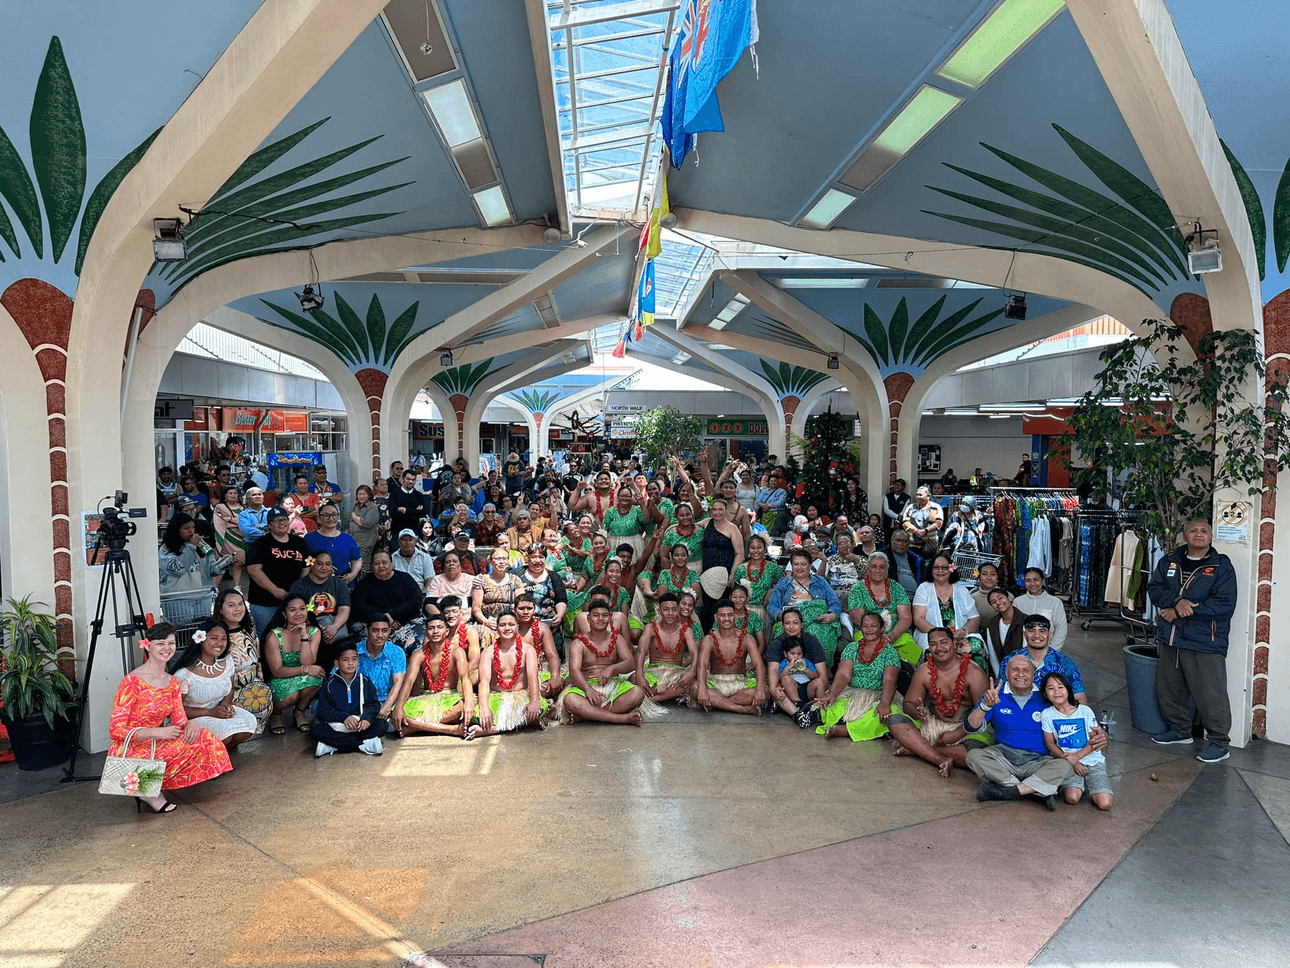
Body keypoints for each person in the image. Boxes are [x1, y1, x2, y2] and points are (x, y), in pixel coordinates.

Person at [106, 622, 233, 813]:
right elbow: (116, 731)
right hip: (132, 746)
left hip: (159, 742)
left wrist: (192, 723)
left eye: (171, 643)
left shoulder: (172, 682)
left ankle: (150, 785)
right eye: (160, 643)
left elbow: (180, 721)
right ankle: (145, 790)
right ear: (147, 645)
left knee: (205, 738)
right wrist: (158, 732)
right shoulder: (132, 681)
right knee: (159, 748)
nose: (166, 648)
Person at [1146, 517, 1238, 762]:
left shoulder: (1221, 567)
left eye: (1204, 531)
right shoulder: (1169, 561)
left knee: (1211, 695)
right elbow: (1155, 588)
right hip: (1171, 638)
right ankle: (1180, 731)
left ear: (1210, 537)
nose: (1199, 534)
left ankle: (1219, 743)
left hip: (1204, 642)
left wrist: (1180, 611)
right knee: (1169, 690)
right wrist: (1176, 602)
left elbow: (1224, 605)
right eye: (1193, 531)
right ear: (1184, 536)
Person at [963, 655, 1074, 809]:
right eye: (1015, 670)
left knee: (1065, 766)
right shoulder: (995, 694)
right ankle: (1035, 790)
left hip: (1038, 760)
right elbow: (970, 727)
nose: (1021, 674)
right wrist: (985, 706)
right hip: (1003, 758)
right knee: (973, 756)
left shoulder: (1046, 696)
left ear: (1033, 675)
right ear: (1007, 674)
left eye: (1026, 670)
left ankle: (1009, 790)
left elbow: (1073, 716)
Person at [888, 627, 989, 777]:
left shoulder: (974, 672)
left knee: (975, 754)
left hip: (966, 727)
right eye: (933, 644)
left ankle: (916, 749)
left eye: (944, 642)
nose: (939, 648)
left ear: (955, 643)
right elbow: (908, 703)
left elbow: (985, 712)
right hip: (933, 723)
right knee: (895, 720)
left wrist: (957, 733)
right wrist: (918, 712)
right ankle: (940, 759)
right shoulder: (923, 671)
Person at [559, 598, 650, 725]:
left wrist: (612, 669)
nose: (600, 619)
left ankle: (588, 715)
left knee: (637, 694)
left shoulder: (617, 638)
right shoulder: (578, 643)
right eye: (596, 616)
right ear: (589, 619)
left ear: (610, 619)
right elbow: (574, 671)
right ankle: (620, 718)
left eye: (604, 615)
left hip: (612, 685)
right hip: (585, 686)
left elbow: (631, 662)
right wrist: (588, 690)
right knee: (570, 700)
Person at [169, 622, 257, 750]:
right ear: (201, 640)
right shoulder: (184, 674)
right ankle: (208, 753)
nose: (219, 643)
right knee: (224, 735)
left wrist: (225, 707)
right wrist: (210, 712)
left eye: (223, 639)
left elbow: (230, 688)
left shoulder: (227, 662)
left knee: (248, 724)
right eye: (214, 638)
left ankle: (220, 753)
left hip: (216, 711)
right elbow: (175, 712)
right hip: (192, 719)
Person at [814, 611, 900, 741]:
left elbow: (889, 680)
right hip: (852, 693)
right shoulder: (852, 648)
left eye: (873, 626)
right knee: (829, 706)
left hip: (877, 695)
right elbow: (843, 674)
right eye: (865, 626)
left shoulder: (890, 652)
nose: (869, 629)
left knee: (887, 713)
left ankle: (844, 730)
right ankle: (859, 727)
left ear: (882, 628)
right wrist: (833, 693)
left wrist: (885, 702)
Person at [1041, 671, 1113, 811]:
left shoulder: (1084, 711)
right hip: (1068, 763)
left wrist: (1077, 758)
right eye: (1051, 688)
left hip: (1092, 761)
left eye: (1060, 687)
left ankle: (1094, 785)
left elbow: (1095, 739)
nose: (1057, 692)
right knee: (1072, 798)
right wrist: (1071, 762)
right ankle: (1078, 786)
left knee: (1105, 804)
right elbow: (1050, 743)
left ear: (1068, 690)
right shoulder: (1047, 714)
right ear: (1045, 694)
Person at [396, 613, 475, 738]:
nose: (435, 631)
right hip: (426, 698)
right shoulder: (418, 655)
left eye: (439, 627)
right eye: (431, 628)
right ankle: (451, 729)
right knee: (398, 714)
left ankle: (416, 728)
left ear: (447, 631)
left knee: (472, 702)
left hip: (450, 698)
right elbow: (408, 682)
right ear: (426, 633)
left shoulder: (456, 651)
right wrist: (399, 707)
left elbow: (465, 678)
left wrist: (469, 702)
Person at [471, 610, 545, 738]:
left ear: (517, 627)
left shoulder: (528, 650)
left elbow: (533, 678)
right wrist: (484, 708)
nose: (507, 628)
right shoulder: (488, 652)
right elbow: (484, 682)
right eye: (502, 625)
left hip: (521, 695)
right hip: (497, 695)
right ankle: (521, 724)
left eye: (511, 624)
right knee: (478, 716)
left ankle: (493, 730)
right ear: (497, 629)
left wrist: (534, 701)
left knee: (536, 710)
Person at [309, 643, 388, 757]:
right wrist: (344, 717)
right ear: (337, 663)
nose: (351, 663)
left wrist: (366, 719)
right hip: (338, 726)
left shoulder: (365, 681)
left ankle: (333, 745)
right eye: (345, 660)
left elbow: (373, 705)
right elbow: (322, 712)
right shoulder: (329, 685)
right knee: (315, 730)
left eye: (354, 659)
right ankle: (363, 745)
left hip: (359, 726)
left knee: (382, 725)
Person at [262, 595, 326, 735]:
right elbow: (277, 671)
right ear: (284, 613)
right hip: (280, 677)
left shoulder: (314, 631)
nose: (298, 613)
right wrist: (306, 669)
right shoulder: (274, 635)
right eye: (292, 610)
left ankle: (299, 712)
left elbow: (308, 662)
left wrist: (304, 635)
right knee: (291, 695)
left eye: (302, 609)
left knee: (316, 679)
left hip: (301, 674)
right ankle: (276, 714)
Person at [693, 599, 769, 716]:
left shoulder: (747, 638)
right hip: (716, 682)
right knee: (696, 689)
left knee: (765, 690)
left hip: (740, 684)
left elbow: (759, 665)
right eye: (722, 615)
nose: (727, 619)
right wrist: (703, 690)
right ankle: (742, 709)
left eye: (730, 615)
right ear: (716, 618)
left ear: (734, 617)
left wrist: (759, 690)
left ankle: (717, 704)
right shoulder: (709, 639)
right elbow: (702, 666)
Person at [767, 549, 842, 666]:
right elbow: (772, 605)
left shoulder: (820, 582)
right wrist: (782, 616)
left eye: (803, 564)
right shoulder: (783, 583)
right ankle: (788, 671)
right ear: (791, 566)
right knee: (784, 634)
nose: (799, 567)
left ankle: (820, 671)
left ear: (809, 566)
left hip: (816, 620)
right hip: (790, 619)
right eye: (796, 564)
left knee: (816, 633)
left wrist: (831, 615)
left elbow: (835, 603)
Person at [214, 588, 273, 736]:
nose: (238, 609)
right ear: (220, 609)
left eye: (240, 604)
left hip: (253, 684)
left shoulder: (249, 629)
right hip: (229, 692)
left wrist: (262, 682)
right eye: (231, 605)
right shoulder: (217, 636)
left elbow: (257, 658)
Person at [245, 508, 311, 637]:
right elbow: (253, 570)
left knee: (292, 639)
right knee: (268, 639)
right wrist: (275, 590)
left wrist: (299, 587)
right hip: (264, 603)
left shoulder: (299, 542)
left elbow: (307, 566)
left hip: (292, 603)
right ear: (269, 525)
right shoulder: (260, 544)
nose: (282, 523)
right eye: (276, 520)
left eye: (284, 519)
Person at [846, 552, 918, 665]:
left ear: (887, 571)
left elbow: (905, 617)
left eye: (882, 567)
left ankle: (905, 678)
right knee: (862, 643)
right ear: (868, 569)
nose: (877, 570)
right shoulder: (857, 589)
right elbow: (856, 616)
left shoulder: (897, 588)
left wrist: (893, 635)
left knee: (909, 644)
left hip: (895, 635)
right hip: (867, 633)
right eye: (874, 567)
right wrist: (876, 634)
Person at [766, 608, 831, 727]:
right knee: (776, 685)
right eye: (787, 623)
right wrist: (774, 689)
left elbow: (821, 675)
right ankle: (798, 714)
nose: (791, 627)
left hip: (808, 688)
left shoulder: (811, 641)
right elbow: (773, 671)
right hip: (789, 688)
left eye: (795, 623)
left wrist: (806, 670)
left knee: (821, 682)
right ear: (782, 625)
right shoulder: (777, 644)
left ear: (802, 624)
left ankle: (816, 709)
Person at [1002, 614, 1087, 704]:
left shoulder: (1064, 663)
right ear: (1024, 634)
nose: (1037, 635)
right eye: (1031, 631)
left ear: (1049, 635)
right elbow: (999, 691)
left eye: (1042, 631)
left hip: (1054, 715)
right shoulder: (1010, 661)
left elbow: (1079, 698)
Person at [289, 550, 352, 669]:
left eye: (328, 564)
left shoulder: (339, 584)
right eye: (319, 563)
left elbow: (344, 609)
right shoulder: (299, 586)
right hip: (310, 630)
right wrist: (320, 632)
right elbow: (296, 614)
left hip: (336, 629)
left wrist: (333, 628)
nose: (324, 567)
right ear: (312, 565)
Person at [634, 593, 698, 705]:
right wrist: (639, 674)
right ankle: (670, 695)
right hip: (654, 671)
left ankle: (651, 700)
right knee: (634, 679)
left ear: (678, 610)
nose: (670, 614)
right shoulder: (650, 628)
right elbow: (641, 652)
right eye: (666, 609)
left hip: (676, 673)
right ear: (659, 611)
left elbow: (695, 653)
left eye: (673, 610)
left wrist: (692, 672)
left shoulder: (686, 630)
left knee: (692, 681)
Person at [912, 553, 981, 653]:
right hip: (932, 636)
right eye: (936, 568)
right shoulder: (923, 589)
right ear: (931, 570)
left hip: (960, 637)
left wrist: (963, 631)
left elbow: (975, 618)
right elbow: (918, 619)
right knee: (934, 652)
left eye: (944, 567)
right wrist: (943, 634)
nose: (940, 571)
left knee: (977, 648)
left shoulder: (962, 590)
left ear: (951, 569)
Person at [158, 512, 230, 594]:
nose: (191, 531)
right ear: (176, 530)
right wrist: (191, 547)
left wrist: (222, 564)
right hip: (177, 597)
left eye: (193, 527)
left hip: (201, 595)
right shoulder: (167, 548)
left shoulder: (200, 544)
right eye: (186, 528)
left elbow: (210, 570)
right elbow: (176, 569)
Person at [354, 616, 407, 726]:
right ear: (366, 631)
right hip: (357, 702)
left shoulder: (396, 652)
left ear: (389, 631)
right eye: (375, 630)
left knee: (398, 721)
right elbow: (336, 678)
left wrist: (387, 706)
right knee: (317, 708)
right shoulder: (354, 651)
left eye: (384, 631)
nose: (380, 635)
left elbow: (398, 682)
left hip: (384, 701)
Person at [515, 594, 564, 702]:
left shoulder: (542, 628)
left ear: (534, 610)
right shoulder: (510, 629)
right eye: (521, 608)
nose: (526, 612)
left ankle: (545, 703)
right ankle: (545, 704)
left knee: (547, 688)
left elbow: (552, 655)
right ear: (514, 610)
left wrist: (555, 676)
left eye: (529, 608)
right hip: (517, 675)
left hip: (540, 672)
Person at [731, 534, 784, 630]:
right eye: (752, 548)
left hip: (763, 611)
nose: (756, 551)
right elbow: (734, 591)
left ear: (765, 549)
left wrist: (771, 590)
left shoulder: (772, 567)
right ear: (748, 550)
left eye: (759, 547)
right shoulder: (741, 569)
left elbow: (784, 585)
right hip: (743, 610)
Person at [306, 504, 362, 584]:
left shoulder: (347, 538)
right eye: (326, 515)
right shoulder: (310, 538)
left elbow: (357, 559)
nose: (331, 518)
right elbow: (304, 563)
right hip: (318, 584)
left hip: (343, 583)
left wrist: (352, 574)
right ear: (319, 518)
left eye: (334, 515)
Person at [1015, 567, 1069, 651]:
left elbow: (1061, 628)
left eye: (1036, 579)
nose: (1032, 584)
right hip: (1024, 651)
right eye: (1028, 580)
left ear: (1042, 580)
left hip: (1048, 650)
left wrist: (1052, 650)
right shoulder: (1018, 602)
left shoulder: (1055, 602)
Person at [473, 547, 524, 632]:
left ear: (508, 561)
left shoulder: (516, 580)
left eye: (504, 558)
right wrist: (486, 622)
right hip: (489, 620)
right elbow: (476, 608)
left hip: (510, 620)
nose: (501, 561)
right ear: (491, 561)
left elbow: (521, 604)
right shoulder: (481, 580)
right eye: (497, 559)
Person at [210, 485, 247, 591]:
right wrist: (237, 521)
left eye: (235, 493)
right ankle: (215, 588)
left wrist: (229, 520)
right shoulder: (220, 507)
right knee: (222, 564)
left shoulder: (244, 508)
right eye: (230, 493)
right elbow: (218, 522)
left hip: (240, 540)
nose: (233, 495)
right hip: (225, 539)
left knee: (238, 563)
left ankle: (237, 587)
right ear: (225, 496)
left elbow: (246, 523)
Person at [983, 588, 1027, 676]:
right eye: (993, 602)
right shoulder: (992, 624)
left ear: (1009, 598)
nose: (998, 602)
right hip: (1002, 671)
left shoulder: (1025, 620)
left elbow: (1027, 653)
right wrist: (1000, 675)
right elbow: (992, 654)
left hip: (1024, 671)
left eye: (1000, 598)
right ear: (992, 607)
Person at [348, 484, 381, 575]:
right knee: (355, 566)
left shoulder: (372, 507)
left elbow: (367, 523)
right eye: (359, 494)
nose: (361, 496)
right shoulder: (356, 506)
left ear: (369, 495)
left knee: (364, 566)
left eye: (364, 494)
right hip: (354, 541)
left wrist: (354, 517)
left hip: (366, 541)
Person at [901, 485, 942, 556]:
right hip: (912, 546)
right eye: (917, 495)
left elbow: (938, 523)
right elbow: (905, 522)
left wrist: (925, 531)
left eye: (920, 495)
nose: (918, 497)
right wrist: (917, 532)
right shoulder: (911, 507)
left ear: (928, 496)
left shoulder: (935, 507)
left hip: (930, 545)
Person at [825, 532, 865, 602]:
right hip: (836, 594)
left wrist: (856, 561)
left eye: (847, 543)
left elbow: (865, 576)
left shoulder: (861, 559)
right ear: (837, 546)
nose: (844, 546)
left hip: (857, 593)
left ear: (852, 545)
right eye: (841, 543)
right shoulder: (830, 560)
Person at [883, 530, 923, 597]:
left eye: (905, 541)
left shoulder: (915, 558)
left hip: (915, 598)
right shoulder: (883, 555)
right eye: (898, 540)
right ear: (892, 541)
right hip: (893, 598)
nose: (901, 544)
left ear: (908, 543)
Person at [389, 469, 427, 538]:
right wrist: (415, 511)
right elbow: (393, 513)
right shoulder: (394, 494)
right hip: (397, 531)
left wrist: (405, 510)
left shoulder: (419, 495)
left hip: (414, 531)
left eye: (413, 480)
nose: (410, 482)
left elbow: (423, 513)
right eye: (408, 479)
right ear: (403, 479)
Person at [971, 561, 1003, 628]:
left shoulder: (1007, 596)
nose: (989, 578)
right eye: (984, 574)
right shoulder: (972, 598)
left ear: (997, 577)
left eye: (993, 574)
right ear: (979, 577)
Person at [882, 478, 910, 545]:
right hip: (888, 523)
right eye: (896, 484)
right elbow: (886, 510)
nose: (897, 486)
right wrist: (897, 517)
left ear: (903, 487)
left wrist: (897, 521)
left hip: (901, 524)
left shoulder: (906, 497)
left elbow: (904, 510)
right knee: (888, 540)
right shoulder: (887, 496)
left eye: (899, 485)